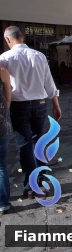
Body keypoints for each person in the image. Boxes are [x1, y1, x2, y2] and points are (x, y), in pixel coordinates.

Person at [1, 26, 62, 199]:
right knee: (38, 143)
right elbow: (49, 83)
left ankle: (30, 186)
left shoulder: (4, 58)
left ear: (8, 40)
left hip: (19, 106)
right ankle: (39, 181)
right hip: (40, 104)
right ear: (22, 37)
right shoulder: (39, 56)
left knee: (25, 146)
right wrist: (56, 105)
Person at [0, 68, 12, 213]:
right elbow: (8, 98)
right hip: (2, 124)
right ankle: (3, 203)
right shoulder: (2, 71)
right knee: (1, 165)